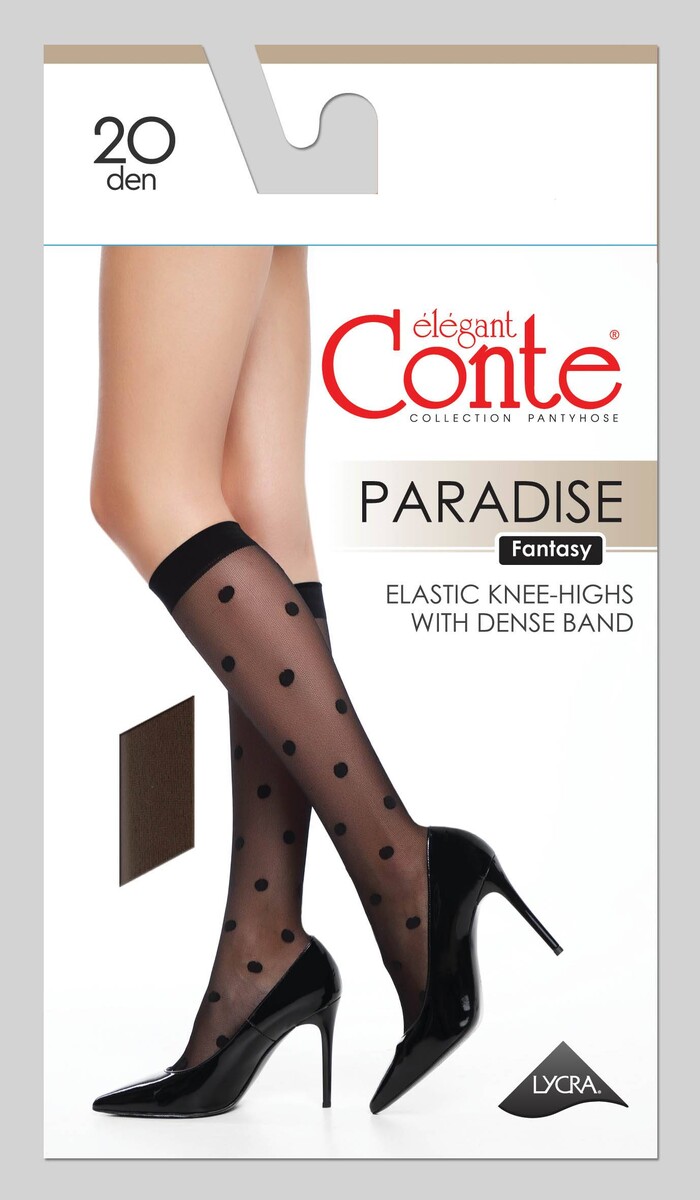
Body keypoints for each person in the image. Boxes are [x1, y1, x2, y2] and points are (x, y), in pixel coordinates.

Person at [90, 246, 561, 1119]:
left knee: (145, 491)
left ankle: (403, 868)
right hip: (267, 158)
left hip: (200, 153)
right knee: (255, 505)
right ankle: (264, 943)